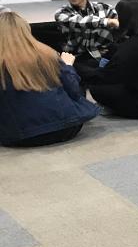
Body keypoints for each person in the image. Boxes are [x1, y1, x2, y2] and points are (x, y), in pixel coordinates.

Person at [0, 11, 99, 147]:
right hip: (67, 128)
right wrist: (68, 66)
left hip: (19, 137)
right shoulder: (48, 54)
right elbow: (74, 90)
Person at [53, 0, 119, 80]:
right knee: (94, 75)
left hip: (103, 55)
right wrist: (106, 21)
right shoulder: (61, 13)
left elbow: (119, 27)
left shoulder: (105, 8)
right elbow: (81, 22)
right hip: (78, 58)